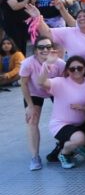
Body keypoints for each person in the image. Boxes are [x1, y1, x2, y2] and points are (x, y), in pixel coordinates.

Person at [40, 55, 85, 168]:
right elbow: (41, 82)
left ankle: (80, 147)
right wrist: (46, 65)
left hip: (82, 123)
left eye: (79, 68)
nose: (76, 71)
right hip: (61, 124)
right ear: (67, 70)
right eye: (72, 68)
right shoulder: (60, 82)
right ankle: (64, 153)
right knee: (79, 139)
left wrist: (83, 108)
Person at [21, 37, 65, 170]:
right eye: (41, 47)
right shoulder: (28, 63)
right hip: (34, 92)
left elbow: (65, 83)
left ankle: (65, 148)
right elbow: (23, 83)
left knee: (64, 119)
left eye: (48, 46)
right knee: (32, 120)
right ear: (35, 50)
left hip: (54, 91)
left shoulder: (60, 63)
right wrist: (29, 106)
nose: (45, 50)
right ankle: (35, 157)